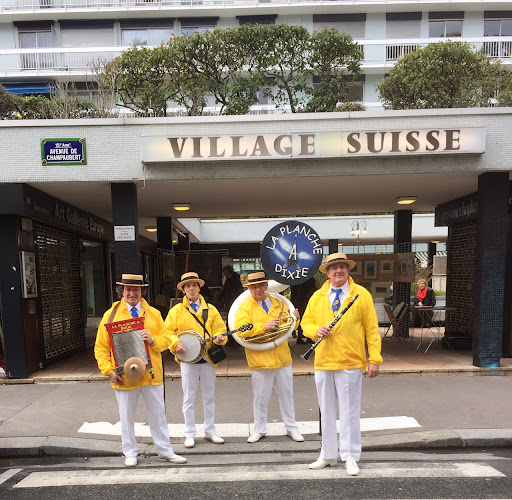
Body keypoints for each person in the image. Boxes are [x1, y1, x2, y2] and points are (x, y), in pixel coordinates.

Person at [301, 253, 382, 476]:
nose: (339, 271)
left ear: (348, 270)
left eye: (343, 267)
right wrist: (315, 330)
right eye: (334, 267)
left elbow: (372, 330)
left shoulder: (361, 295)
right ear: (327, 273)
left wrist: (374, 359)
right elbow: (306, 323)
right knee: (326, 411)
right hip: (324, 360)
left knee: (349, 412)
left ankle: (350, 456)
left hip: (350, 361)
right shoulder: (317, 296)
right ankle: (327, 454)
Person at [94, 273, 187, 467]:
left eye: (135, 289)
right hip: (124, 376)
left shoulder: (153, 313)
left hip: (152, 374)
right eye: (128, 289)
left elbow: (166, 340)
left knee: (158, 415)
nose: (131, 293)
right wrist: (109, 371)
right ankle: (130, 452)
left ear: (141, 291)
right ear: (122, 291)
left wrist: (152, 340)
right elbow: (101, 347)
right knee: (126, 417)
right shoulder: (111, 315)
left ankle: (165, 451)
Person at [234, 271, 304, 444]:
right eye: (253, 287)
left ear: (266, 286)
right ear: (249, 289)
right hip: (260, 360)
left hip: (282, 357)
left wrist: (296, 319)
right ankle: (259, 430)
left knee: (287, 395)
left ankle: (292, 428)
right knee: (260, 397)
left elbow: (290, 325)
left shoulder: (280, 302)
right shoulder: (245, 307)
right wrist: (263, 326)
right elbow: (240, 330)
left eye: (260, 286)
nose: (257, 290)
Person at [165, 272, 227, 449]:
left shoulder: (211, 310)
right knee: (189, 398)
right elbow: (167, 332)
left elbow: (220, 329)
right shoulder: (176, 310)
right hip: (187, 360)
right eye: (187, 286)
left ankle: (210, 431)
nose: (191, 288)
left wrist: (219, 338)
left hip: (207, 358)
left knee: (209, 397)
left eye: (194, 285)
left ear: (199, 288)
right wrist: (176, 343)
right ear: (183, 290)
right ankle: (190, 433)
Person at [290, 277, 318, 344]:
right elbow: (313, 290)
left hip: (298, 301)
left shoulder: (295, 279)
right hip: (305, 300)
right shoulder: (309, 278)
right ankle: (304, 337)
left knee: (302, 318)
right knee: (306, 317)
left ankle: (301, 336)